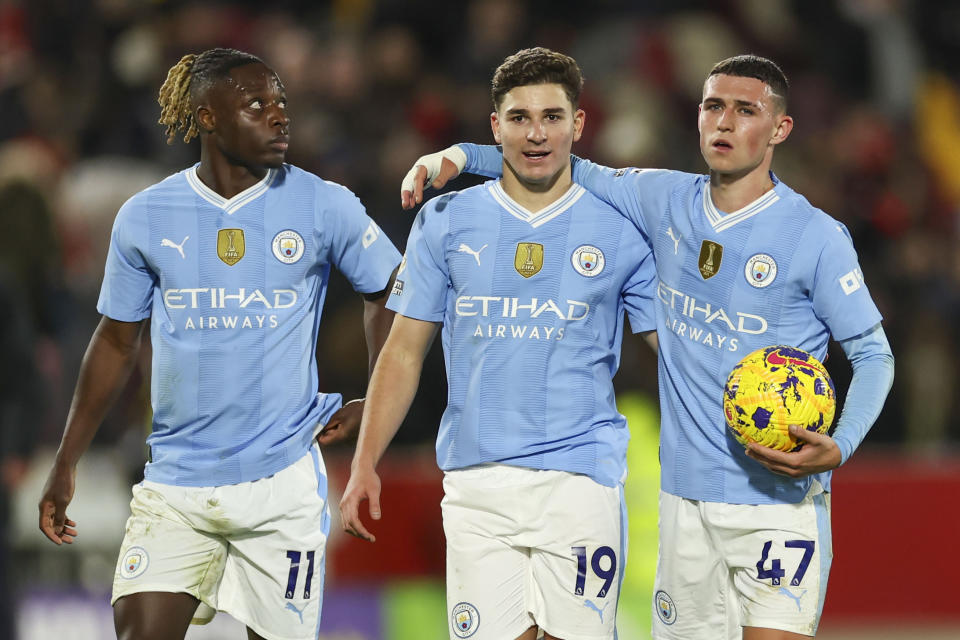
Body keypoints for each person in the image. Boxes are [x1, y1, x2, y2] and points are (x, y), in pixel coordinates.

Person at [400, 54, 895, 640]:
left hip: (777, 502)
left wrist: (841, 445)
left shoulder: (816, 236)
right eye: (714, 106)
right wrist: (459, 156)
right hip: (685, 501)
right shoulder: (661, 199)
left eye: (746, 111)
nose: (725, 123)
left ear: (780, 129)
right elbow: (556, 159)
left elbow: (874, 355)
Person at [37, 48, 400, 640]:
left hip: (280, 484)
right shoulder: (147, 216)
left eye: (281, 103)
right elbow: (114, 341)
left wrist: (374, 395)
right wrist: (66, 459)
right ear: (207, 117)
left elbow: (390, 290)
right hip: (177, 480)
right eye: (257, 105)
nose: (279, 117)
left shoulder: (323, 204)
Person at [339, 47, 657, 640]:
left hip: (580, 482)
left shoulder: (621, 227)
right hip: (477, 485)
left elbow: (667, 349)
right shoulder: (445, 221)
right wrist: (364, 464)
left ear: (578, 124)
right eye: (519, 118)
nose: (536, 134)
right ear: (495, 126)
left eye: (552, 117)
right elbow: (404, 351)